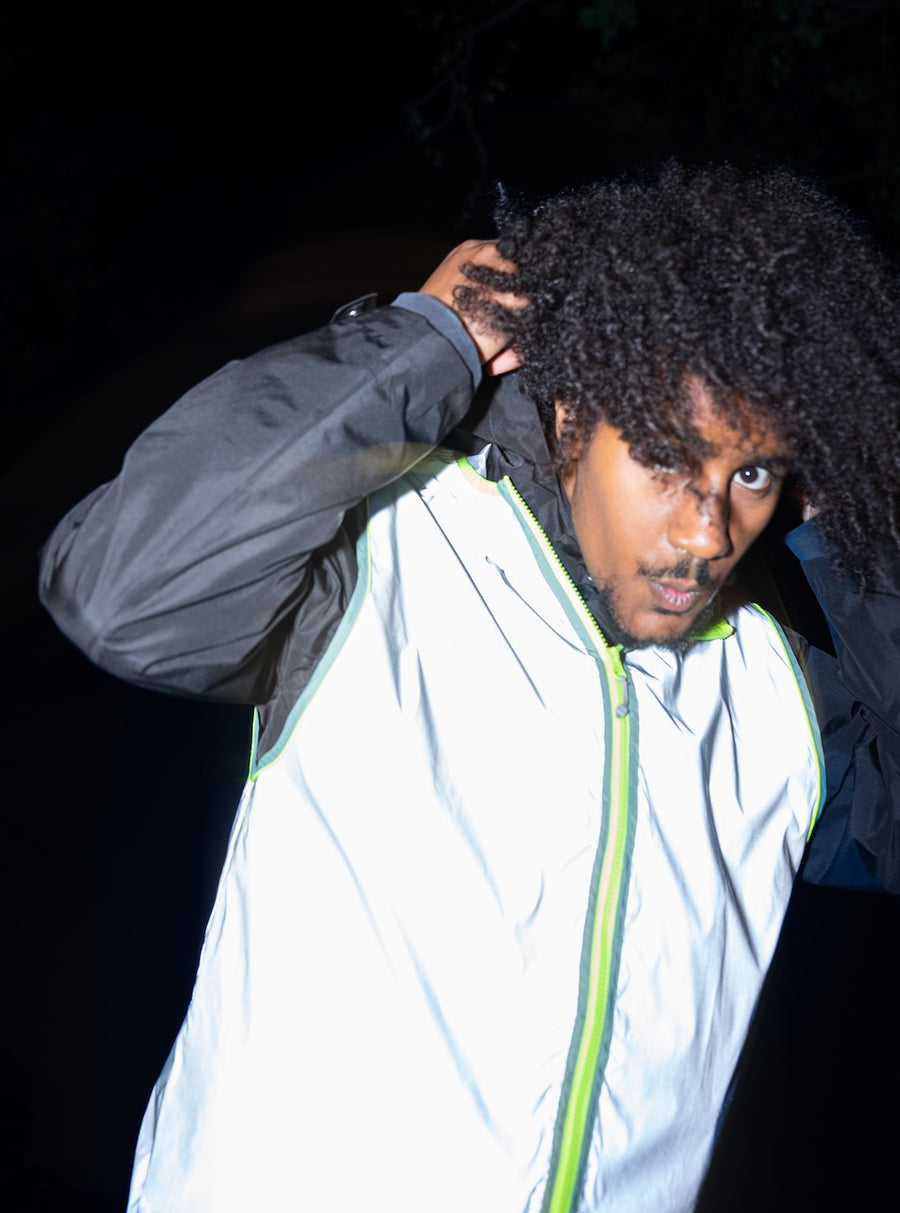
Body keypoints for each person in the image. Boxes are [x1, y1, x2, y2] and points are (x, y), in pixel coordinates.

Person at [39, 163, 900, 1212]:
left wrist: (858, 534)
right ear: (572, 414)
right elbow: (127, 594)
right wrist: (424, 342)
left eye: (751, 473)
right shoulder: (391, 542)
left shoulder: (770, 688)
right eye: (666, 455)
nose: (707, 528)